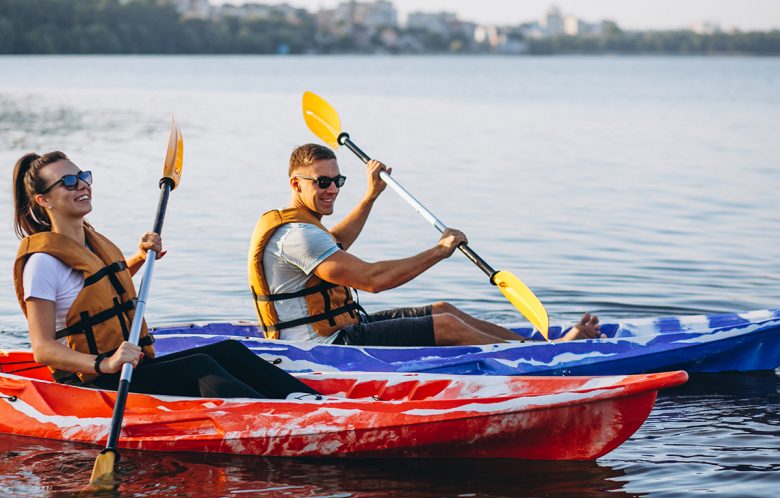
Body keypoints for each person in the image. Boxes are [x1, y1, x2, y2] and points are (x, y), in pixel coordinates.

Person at [12, 151, 319, 399]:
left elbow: (99, 290)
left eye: (83, 177)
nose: (81, 184)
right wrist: (105, 363)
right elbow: (43, 349)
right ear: (44, 200)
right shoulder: (42, 263)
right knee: (198, 366)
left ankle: (309, 402)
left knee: (230, 350)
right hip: (94, 382)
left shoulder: (91, 244)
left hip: (128, 368)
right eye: (68, 181)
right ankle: (277, 418)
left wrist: (139, 257)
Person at [248, 143, 603, 346]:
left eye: (338, 179)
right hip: (315, 350)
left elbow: (336, 240)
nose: (332, 188)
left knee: (443, 309)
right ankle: (545, 358)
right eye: (322, 181)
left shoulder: (303, 229)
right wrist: (439, 251)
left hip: (339, 329)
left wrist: (371, 195)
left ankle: (538, 351)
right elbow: (373, 280)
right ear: (296, 185)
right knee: (447, 327)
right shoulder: (297, 236)